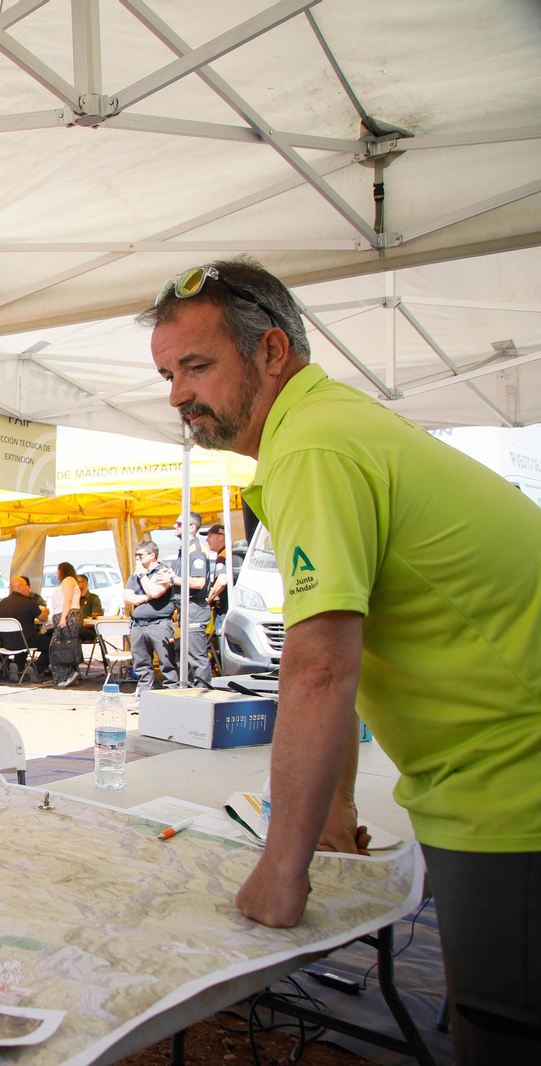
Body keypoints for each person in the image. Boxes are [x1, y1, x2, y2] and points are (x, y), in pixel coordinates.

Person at [144, 256, 541, 1064]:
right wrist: (330, 807)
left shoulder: (312, 450)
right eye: (166, 373)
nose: (179, 394)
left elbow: (319, 665)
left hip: (514, 772)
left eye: (196, 366)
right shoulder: (330, 425)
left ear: (272, 354)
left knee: (506, 1034)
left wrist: (283, 868)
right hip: (494, 762)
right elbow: (354, 647)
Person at [122, 541, 176, 688]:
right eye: (135, 556)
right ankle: (143, 696)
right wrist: (146, 598)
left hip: (159, 624)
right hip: (139, 624)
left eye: (140, 555)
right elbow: (127, 597)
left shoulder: (163, 571)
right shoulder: (136, 574)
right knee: (141, 664)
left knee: (167, 663)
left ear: (152, 555)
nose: (137, 559)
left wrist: (142, 576)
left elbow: (155, 591)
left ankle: (172, 696)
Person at [173, 512, 214, 686]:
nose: (175, 526)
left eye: (179, 523)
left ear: (192, 527)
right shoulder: (186, 549)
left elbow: (198, 582)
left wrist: (172, 579)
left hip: (194, 608)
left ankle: (203, 689)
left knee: (197, 654)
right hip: (187, 608)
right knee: (185, 652)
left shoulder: (196, 551)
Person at [0, 575, 49, 675]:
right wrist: (46, 612)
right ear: (20, 587)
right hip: (27, 642)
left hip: (7, 642)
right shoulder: (29, 602)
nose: (29, 588)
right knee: (50, 643)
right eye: (26, 585)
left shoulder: (3, 603)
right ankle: (36, 669)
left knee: (21, 638)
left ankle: (18, 666)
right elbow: (44, 619)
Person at [47, 562, 83, 688]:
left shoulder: (68, 580)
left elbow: (68, 599)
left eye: (57, 571)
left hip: (67, 616)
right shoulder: (65, 582)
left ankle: (68, 674)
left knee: (61, 646)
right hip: (63, 616)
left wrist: (63, 618)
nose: (56, 574)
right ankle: (69, 674)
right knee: (63, 645)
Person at [204, 523, 230, 636]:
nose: (207, 540)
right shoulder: (228, 553)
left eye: (209, 536)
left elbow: (223, 580)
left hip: (225, 609)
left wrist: (208, 599)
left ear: (221, 537)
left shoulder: (223, 556)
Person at [75, 574, 103, 643]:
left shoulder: (93, 599)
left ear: (85, 583)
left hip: (89, 631)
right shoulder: (73, 599)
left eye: (78, 582)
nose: (75, 585)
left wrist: (79, 624)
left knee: (73, 631)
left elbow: (96, 620)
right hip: (76, 628)